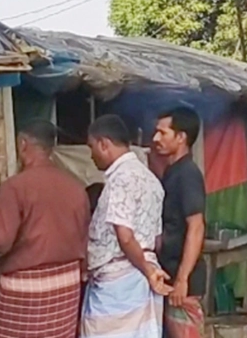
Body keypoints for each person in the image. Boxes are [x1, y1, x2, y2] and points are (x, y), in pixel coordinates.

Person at [0, 121, 90, 338]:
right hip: (66, 285)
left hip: (26, 288)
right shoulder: (76, 187)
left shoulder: (14, 187)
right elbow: (84, 236)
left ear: (23, 145)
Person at [83, 115, 169, 338]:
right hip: (142, 277)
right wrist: (147, 269)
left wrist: (146, 270)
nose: (91, 155)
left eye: (91, 147)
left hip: (119, 283)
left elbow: (126, 236)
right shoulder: (151, 180)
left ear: (104, 144)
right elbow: (156, 239)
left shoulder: (121, 179)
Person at [154, 108, 207, 338]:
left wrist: (182, 279)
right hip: (171, 274)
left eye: (162, 133)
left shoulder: (188, 174)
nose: (156, 139)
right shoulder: (172, 171)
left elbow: (196, 226)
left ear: (181, 137)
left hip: (183, 281)